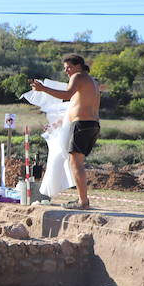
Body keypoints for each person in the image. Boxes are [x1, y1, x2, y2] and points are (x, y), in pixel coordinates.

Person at [30, 54, 101, 209]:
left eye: (68, 67)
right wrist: (58, 122)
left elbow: (67, 95)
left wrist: (43, 89)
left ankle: (83, 202)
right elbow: (76, 105)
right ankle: (82, 200)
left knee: (76, 162)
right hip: (92, 124)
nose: (67, 71)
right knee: (76, 161)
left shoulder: (77, 77)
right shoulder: (92, 81)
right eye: (65, 68)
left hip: (82, 125)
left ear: (78, 65)